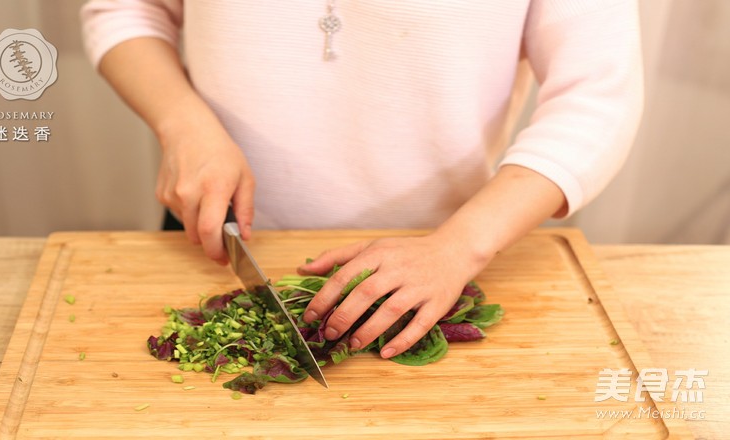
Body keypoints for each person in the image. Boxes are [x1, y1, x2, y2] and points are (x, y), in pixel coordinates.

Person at [81, 1, 643, 359]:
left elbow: (598, 94)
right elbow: (126, 9)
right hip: (217, 237)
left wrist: (458, 247)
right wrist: (181, 123)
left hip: (444, 256)